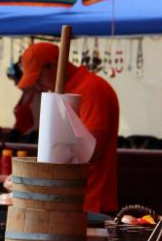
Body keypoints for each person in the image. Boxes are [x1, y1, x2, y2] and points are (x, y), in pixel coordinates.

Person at [16, 42, 120, 213]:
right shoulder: (70, 92)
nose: (39, 87)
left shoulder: (91, 89)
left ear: (53, 65)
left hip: (92, 203)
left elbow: (95, 150)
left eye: (38, 79)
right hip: (76, 200)